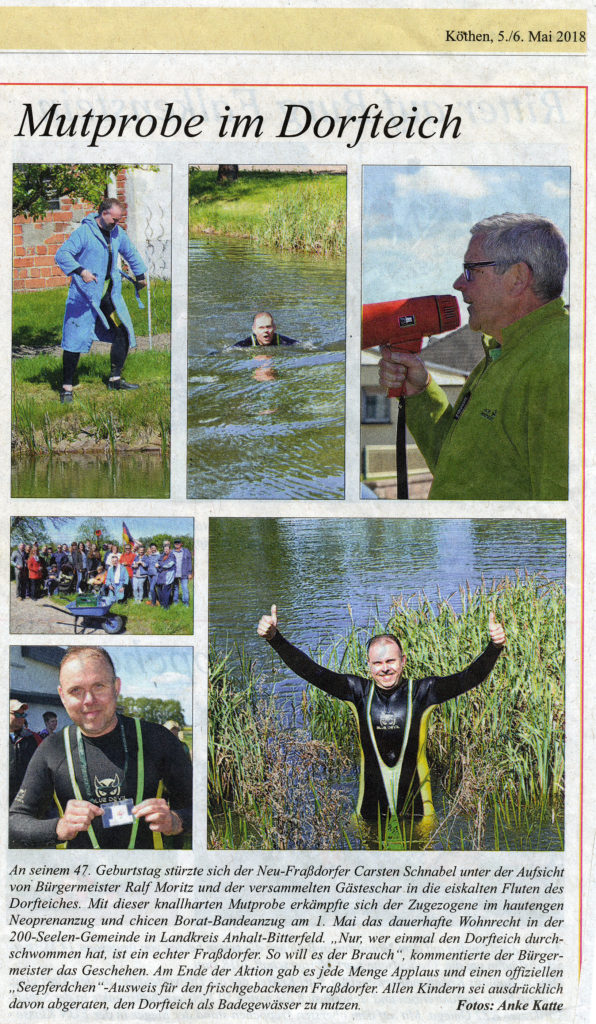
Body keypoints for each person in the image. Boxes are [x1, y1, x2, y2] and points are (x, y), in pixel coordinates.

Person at [257, 604, 506, 823]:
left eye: (391, 662)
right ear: (368, 665)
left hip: (418, 813)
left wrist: (494, 647)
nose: (385, 669)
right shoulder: (357, 693)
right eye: (377, 663)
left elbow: (469, 678)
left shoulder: (423, 692)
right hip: (369, 811)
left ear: (403, 661)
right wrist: (275, 639)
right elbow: (312, 672)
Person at [379, 214, 569, 500]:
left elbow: (561, 515)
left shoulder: (562, 363)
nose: (458, 284)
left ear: (517, 278)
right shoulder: (502, 354)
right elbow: (458, 469)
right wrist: (420, 392)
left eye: (470, 270)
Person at [9, 647, 192, 850]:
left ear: (116, 687)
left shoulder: (157, 739)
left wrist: (176, 821)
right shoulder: (51, 749)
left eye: (98, 686)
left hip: (144, 878)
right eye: (75, 690)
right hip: (78, 878)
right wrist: (58, 828)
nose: (89, 700)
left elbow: (198, 807)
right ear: (62, 696)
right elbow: (15, 821)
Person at [55, 198, 146, 403]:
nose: (117, 223)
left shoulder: (117, 233)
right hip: (84, 297)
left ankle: (115, 379)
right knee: (74, 339)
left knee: (122, 331)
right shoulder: (84, 233)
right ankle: (67, 387)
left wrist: (140, 276)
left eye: (119, 219)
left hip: (108, 296)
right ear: (103, 213)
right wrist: (81, 270)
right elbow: (62, 255)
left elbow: (131, 253)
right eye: (114, 219)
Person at [9, 700, 39, 803]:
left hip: (22, 798)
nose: (21, 718)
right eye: (16, 714)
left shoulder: (31, 738)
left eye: (23, 715)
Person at [234, 312, 298, 348]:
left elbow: (302, 345)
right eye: (261, 328)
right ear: (254, 329)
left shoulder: (283, 341)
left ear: (274, 327)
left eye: (268, 327)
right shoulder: (246, 344)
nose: (265, 331)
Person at [155, 542, 176, 610]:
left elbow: (169, 565)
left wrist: (160, 565)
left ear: (170, 549)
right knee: (159, 589)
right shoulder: (161, 556)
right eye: (165, 549)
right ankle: (162, 603)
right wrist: (161, 565)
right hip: (161, 575)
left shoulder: (172, 556)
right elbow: (158, 562)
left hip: (168, 575)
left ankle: (166, 606)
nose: (166, 550)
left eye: (167, 549)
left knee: (166, 590)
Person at [172, 539, 193, 607]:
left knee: (185, 588)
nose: (177, 544)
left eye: (178, 543)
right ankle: (175, 601)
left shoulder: (186, 551)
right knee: (175, 588)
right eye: (175, 543)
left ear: (181, 544)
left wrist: (190, 573)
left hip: (184, 573)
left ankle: (186, 603)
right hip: (174, 574)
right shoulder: (172, 551)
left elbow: (189, 562)